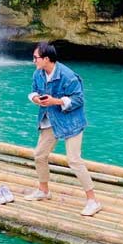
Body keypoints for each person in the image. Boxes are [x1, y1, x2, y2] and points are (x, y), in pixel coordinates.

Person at [24, 41, 102, 216]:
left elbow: (79, 100)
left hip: (72, 121)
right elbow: (34, 91)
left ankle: (93, 201)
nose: (33, 60)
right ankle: (44, 191)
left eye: (35, 57)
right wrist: (36, 99)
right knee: (39, 155)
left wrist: (56, 101)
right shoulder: (38, 73)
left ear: (46, 59)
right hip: (50, 118)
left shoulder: (68, 76)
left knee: (74, 160)